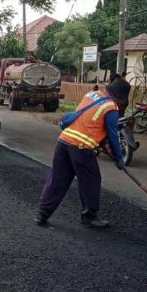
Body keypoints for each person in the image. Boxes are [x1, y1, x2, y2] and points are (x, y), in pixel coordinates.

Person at [35, 80, 125, 228]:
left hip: (63, 142)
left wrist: (101, 142)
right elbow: (113, 136)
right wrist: (119, 158)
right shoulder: (111, 108)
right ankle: (90, 216)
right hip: (81, 148)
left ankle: (42, 213)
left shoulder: (91, 94)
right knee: (91, 180)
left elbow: (87, 121)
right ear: (119, 97)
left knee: (57, 179)